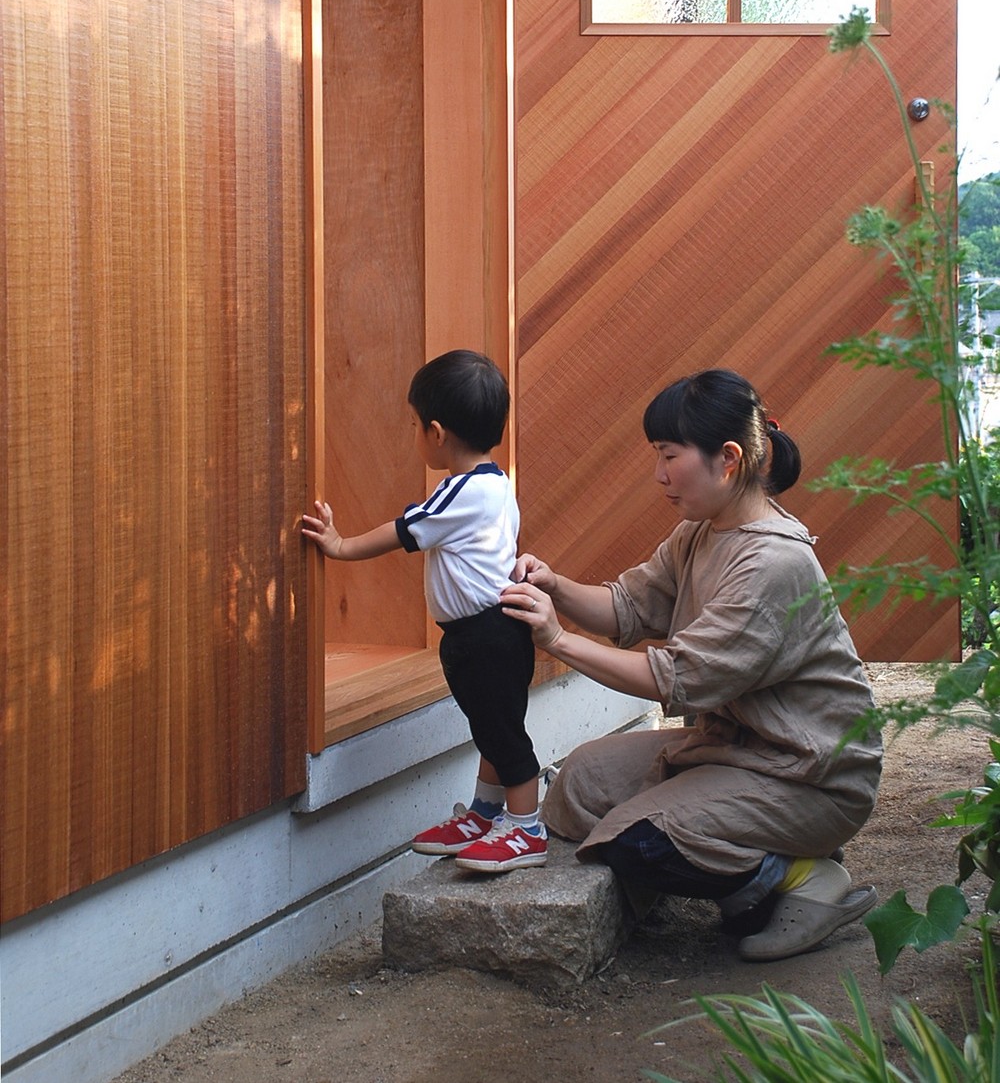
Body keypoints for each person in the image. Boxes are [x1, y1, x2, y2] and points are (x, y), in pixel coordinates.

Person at [499, 367, 882, 960]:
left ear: (727, 459)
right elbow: (627, 606)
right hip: (734, 750)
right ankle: (751, 860)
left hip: (807, 775)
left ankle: (804, 878)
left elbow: (674, 678)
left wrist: (558, 640)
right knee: (580, 784)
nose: (659, 474)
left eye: (669, 455)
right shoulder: (699, 532)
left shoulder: (772, 565)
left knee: (640, 842)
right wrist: (555, 585)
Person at [302, 349, 546, 874]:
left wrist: (340, 545)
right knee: (492, 728)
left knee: (503, 733)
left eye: (413, 425)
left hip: (485, 636)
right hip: (493, 633)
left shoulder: (458, 493)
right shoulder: (498, 485)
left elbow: (402, 530)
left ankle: (527, 829)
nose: (414, 435)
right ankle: (486, 813)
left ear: (436, 433)